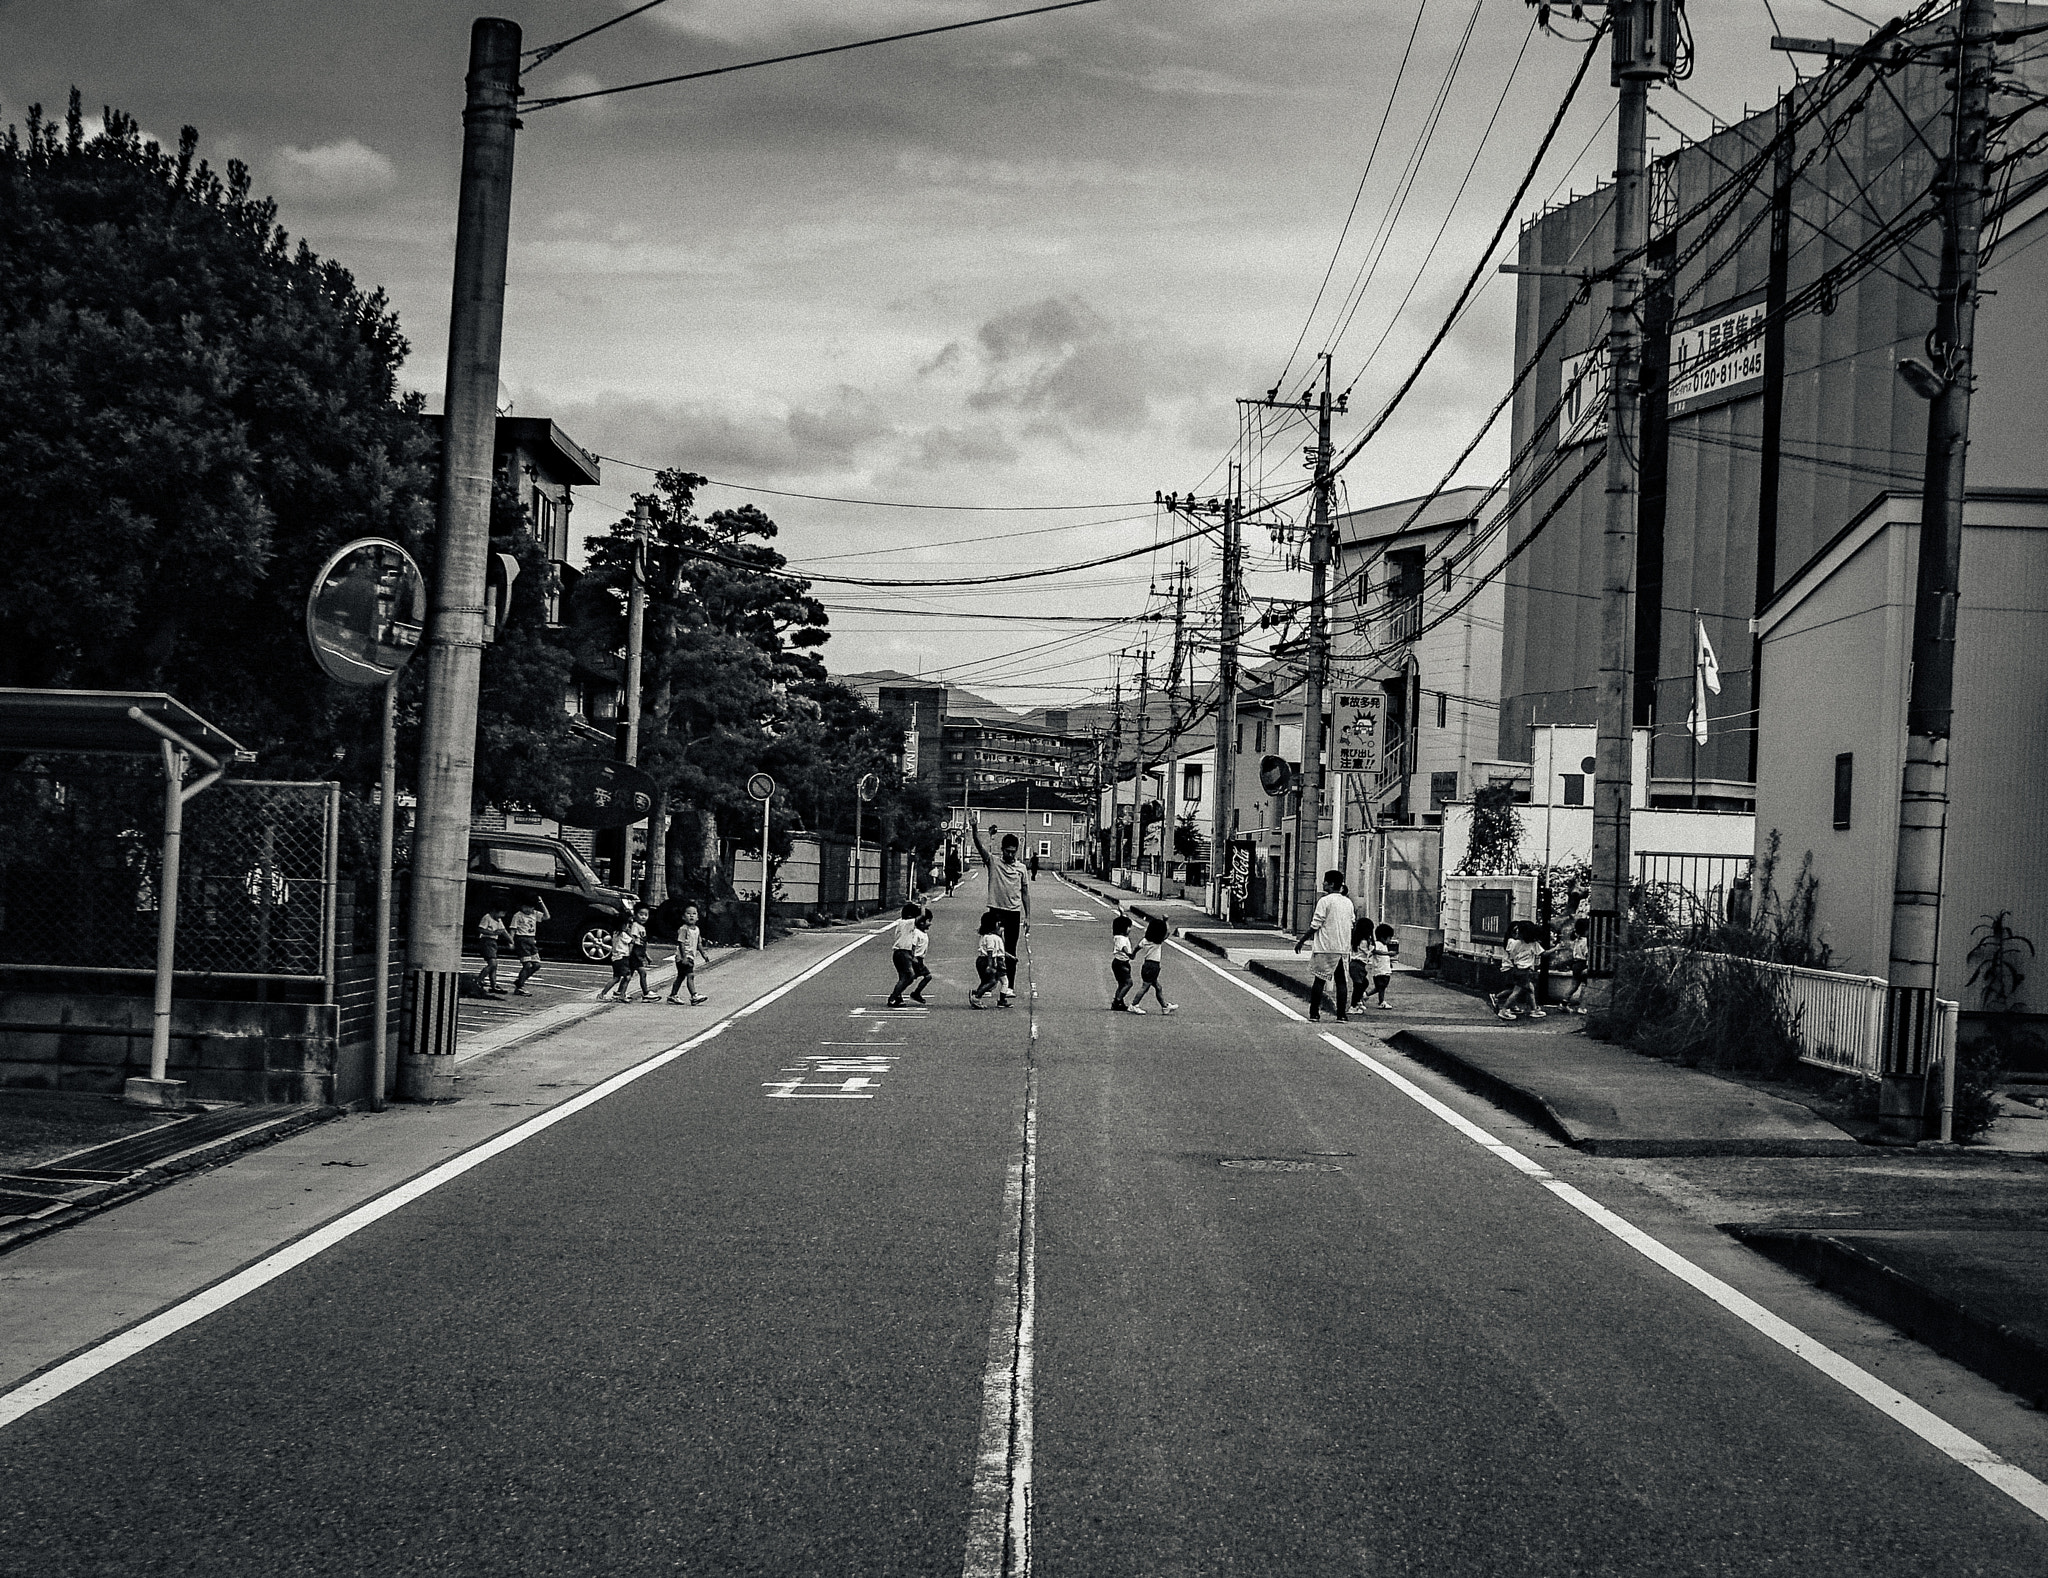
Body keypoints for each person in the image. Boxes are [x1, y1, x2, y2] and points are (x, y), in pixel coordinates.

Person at [970, 823, 1031, 1006]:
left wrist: (1028, 916)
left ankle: (1008, 986)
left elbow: (1025, 893)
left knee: (1010, 950)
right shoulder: (994, 862)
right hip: (996, 911)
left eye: (1013, 852)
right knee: (990, 950)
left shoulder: (1021, 869)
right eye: (1007, 851)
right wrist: (974, 829)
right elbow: (980, 847)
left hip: (1013, 912)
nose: (1010, 855)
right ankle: (987, 984)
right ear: (1002, 850)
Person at [1293, 869, 1355, 1022]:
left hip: (1325, 947)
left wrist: (1301, 941)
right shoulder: (1348, 902)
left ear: (1331, 883)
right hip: (1343, 948)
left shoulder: (1324, 901)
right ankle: (1341, 1014)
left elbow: (1315, 925)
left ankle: (1314, 1013)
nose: (1323, 883)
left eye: (1325, 881)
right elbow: (1351, 923)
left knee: (1319, 980)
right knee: (1341, 982)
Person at [1490, 921, 1545, 1020]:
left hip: (1517, 969)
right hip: (1525, 971)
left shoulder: (1515, 943)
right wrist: (1557, 948)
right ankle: (1504, 1009)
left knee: (1530, 989)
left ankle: (1534, 1009)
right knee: (1516, 992)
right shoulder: (1533, 944)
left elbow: (1511, 955)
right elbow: (1543, 954)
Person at [666, 902, 712, 1005]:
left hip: (690, 956)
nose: (691, 916)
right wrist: (684, 957)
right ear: (683, 917)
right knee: (690, 975)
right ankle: (694, 995)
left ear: (698, 917)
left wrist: (704, 954)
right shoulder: (684, 929)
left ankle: (673, 995)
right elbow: (681, 943)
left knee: (681, 976)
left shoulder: (697, 929)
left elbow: (698, 943)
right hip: (683, 957)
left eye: (694, 913)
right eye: (688, 913)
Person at [1130, 913, 1176, 1014]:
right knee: (1145, 987)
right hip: (1153, 966)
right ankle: (1134, 1004)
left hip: (1147, 965)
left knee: (1158, 987)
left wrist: (1133, 954)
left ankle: (1165, 1006)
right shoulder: (1158, 941)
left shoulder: (1145, 940)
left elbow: (1137, 947)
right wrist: (1166, 921)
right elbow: (1168, 932)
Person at [885, 902, 924, 1008]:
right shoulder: (907, 923)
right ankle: (893, 997)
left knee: (903, 977)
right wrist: (924, 904)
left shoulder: (902, 924)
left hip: (901, 953)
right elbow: (922, 917)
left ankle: (898, 997)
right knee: (909, 976)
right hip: (902, 953)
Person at [508, 894, 549, 995]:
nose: (527, 909)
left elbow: (547, 916)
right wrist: (511, 942)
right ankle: (520, 986)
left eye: (530, 907)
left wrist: (541, 903)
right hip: (521, 940)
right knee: (527, 965)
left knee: (536, 965)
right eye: (525, 907)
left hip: (531, 940)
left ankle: (520, 981)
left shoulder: (534, 914)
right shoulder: (518, 915)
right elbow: (513, 929)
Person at [969, 910, 1009, 1008]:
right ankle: (977, 997)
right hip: (986, 960)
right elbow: (990, 951)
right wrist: (991, 965)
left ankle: (976, 994)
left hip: (982, 960)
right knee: (992, 982)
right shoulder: (991, 937)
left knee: (986, 981)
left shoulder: (985, 936)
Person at [1556, 917, 1590, 1014]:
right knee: (1585, 986)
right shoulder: (1585, 941)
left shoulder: (1577, 940)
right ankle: (1582, 1007)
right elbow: (1587, 955)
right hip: (1583, 964)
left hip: (1576, 964)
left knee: (1573, 985)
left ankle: (1564, 1003)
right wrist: (1588, 966)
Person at [476, 906, 510, 996]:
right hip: (486, 941)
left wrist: (511, 941)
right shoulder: (487, 918)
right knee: (492, 963)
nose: (501, 916)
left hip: (493, 941)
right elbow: (481, 929)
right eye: (501, 913)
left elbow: (503, 931)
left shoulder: (498, 920)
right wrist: (493, 933)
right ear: (495, 911)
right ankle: (480, 980)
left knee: (494, 965)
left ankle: (493, 985)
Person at [1368, 923, 1399, 1010]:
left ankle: (1366, 995)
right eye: (1389, 938)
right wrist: (1388, 954)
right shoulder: (1378, 944)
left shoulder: (1384, 945)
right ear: (1383, 937)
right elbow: (1375, 952)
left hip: (1384, 970)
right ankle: (1381, 1001)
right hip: (1380, 970)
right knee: (1381, 986)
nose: (1390, 940)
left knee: (1380, 987)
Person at [1108, 913, 1136, 1011]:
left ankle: (1119, 1001)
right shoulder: (1120, 938)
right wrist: (1129, 954)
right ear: (1123, 928)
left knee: (1121, 983)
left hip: (1121, 962)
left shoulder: (1118, 937)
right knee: (1129, 983)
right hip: (1121, 963)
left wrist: (1121, 913)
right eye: (1128, 927)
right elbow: (1123, 947)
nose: (1130, 929)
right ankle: (1117, 1001)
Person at [908, 909, 933, 1004]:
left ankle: (916, 993)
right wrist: (913, 956)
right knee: (912, 978)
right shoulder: (917, 933)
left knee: (922, 977)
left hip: (920, 959)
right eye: (929, 921)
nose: (930, 923)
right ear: (922, 922)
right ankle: (910, 993)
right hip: (916, 959)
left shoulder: (923, 933)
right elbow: (913, 945)